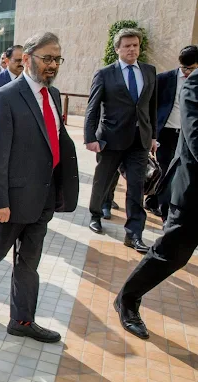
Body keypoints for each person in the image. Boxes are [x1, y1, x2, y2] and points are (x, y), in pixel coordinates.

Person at [0, 32, 79, 343]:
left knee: (29, 264)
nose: (52, 65)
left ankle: (22, 320)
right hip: (10, 203)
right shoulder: (6, 96)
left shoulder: (52, 95)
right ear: (26, 59)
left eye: (57, 59)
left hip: (43, 198)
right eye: (46, 58)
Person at [114, 69, 198, 340]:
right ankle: (127, 299)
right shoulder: (194, 84)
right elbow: (196, 141)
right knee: (171, 254)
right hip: (193, 193)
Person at [85, 28, 157, 254]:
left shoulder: (149, 71)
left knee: (136, 186)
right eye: (127, 46)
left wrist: (153, 135)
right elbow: (92, 108)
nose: (132, 49)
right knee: (103, 181)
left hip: (139, 140)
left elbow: (150, 107)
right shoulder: (105, 74)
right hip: (111, 138)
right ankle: (96, 214)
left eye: (135, 45)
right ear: (117, 49)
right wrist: (90, 138)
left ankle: (134, 233)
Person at [144, 45, 198, 220]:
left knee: (178, 172)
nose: (187, 72)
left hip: (187, 135)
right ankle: (159, 204)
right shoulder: (165, 79)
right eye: (184, 68)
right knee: (164, 169)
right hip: (166, 132)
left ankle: (158, 201)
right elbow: (151, 107)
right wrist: (152, 133)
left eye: (192, 68)